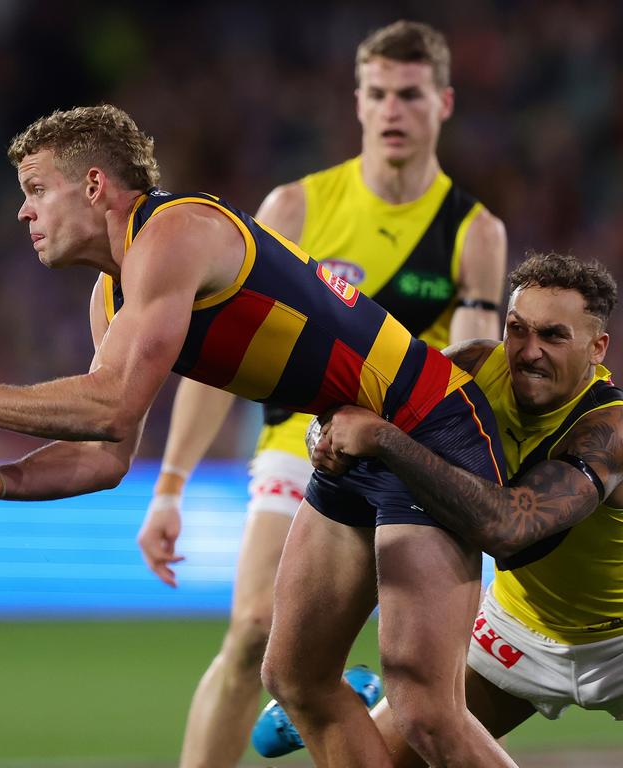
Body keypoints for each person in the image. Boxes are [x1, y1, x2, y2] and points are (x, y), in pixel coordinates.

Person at [0, 103, 516, 767]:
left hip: (427, 424)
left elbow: (113, 407)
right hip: (350, 445)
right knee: (293, 677)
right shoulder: (112, 293)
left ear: (94, 185)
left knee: (424, 708)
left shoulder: (176, 230)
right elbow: (104, 457)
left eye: (37, 190)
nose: (23, 212)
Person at [136, 20, 507, 767]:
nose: (393, 110)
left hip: (412, 452)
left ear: (444, 103)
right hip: (299, 445)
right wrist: (170, 484)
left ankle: (359, 696)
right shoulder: (296, 209)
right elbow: (217, 359)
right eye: (378, 94)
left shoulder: (474, 232)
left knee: (421, 681)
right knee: (251, 632)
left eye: (410, 94)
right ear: (358, 103)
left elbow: (469, 367)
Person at [313, 252, 622, 764]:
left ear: (597, 347)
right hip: (519, 627)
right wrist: (323, 438)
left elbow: (507, 527)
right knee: (384, 755)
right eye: (517, 329)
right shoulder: (476, 368)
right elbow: (357, 409)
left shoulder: (608, 430)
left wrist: (384, 440)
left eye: (553, 336)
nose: (529, 352)